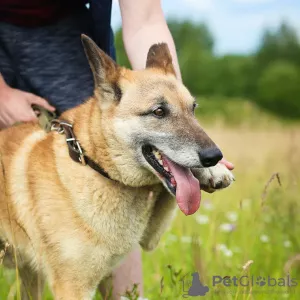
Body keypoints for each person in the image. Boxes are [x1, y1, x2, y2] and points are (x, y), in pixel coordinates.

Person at [0, 0, 233, 298]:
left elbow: (146, 21)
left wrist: (191, 143)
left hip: (62, 29)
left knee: (117, 162)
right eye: (159, 114)